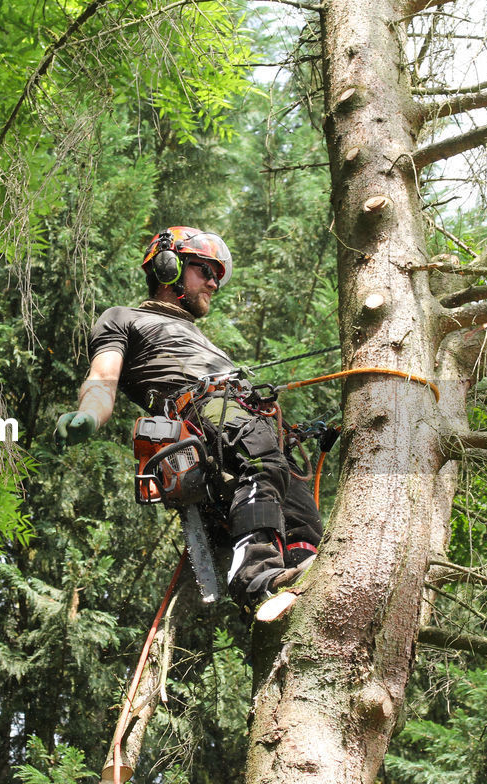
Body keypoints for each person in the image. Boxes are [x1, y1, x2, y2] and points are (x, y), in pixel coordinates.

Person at [55, 226, 322, 619]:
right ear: (168, 268)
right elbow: (102, 376)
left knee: (297, 499)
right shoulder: (123, 319)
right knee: (261, 463)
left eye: (217, 275)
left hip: (249, 413)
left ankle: (306, 572)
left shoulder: (199, 336)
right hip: (204, 408)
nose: (214, 283)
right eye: (205, 271)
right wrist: (89, 414)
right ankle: (256, 575)